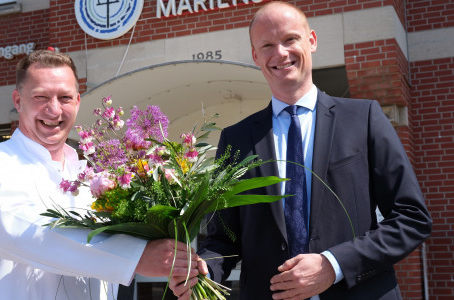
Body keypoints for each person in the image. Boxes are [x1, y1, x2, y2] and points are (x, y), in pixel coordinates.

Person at [169, 2, 432, 300]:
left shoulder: (364, 118)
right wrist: (202, 272)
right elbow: (224, 239)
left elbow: (412, 218)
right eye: (267, 45)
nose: (280, 53)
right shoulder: (236, 138)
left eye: (290, 39)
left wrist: (333, 265)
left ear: (312, 41)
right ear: (256, 56)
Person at [0, 49, 206, 300]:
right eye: (41, 97)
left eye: (64, 98)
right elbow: (19, 230)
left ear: (77, 101)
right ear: (18, 101)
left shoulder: (96, 178)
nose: (54, 110)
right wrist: (136, 256)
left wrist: (181, 265)